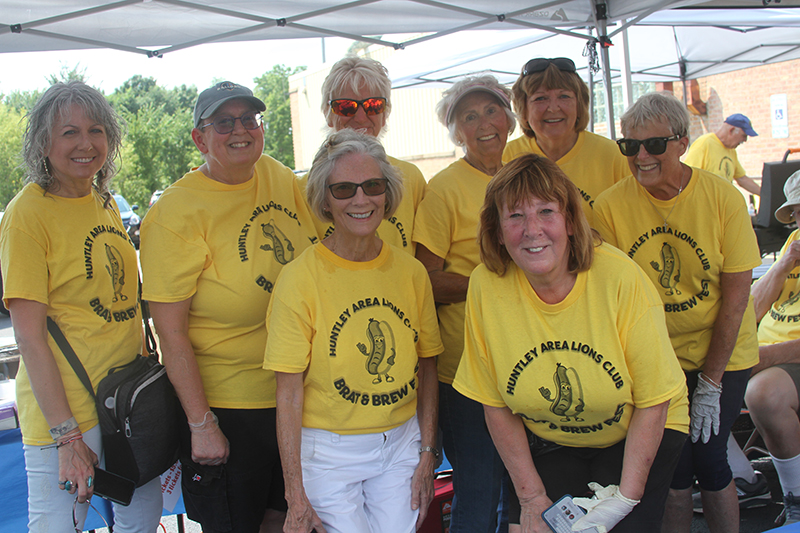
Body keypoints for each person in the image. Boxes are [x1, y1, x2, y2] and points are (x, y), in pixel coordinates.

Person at [452, 153, 689, 533]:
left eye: (546, 211)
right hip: (553, 435)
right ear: (497, 230)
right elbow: (494, 404)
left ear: (571, 221)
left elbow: (654, 401)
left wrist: (623, 502)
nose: (532, 230)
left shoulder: (621, 279)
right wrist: (530, 499)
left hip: (637, 429)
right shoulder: (486, 284)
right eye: (515, 216)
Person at [140, 81, 320, 533]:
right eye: (224, 122)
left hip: (297, 396)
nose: (240, 130)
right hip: (229, 406)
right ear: (200, 138)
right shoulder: (176, 212)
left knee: (289, 521)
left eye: (249, 119)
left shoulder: (279, 177)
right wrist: (202, 423)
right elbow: (171, 333)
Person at [593, 92, 761, 533]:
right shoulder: (609, 206)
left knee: (710, 458)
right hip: (658, 359)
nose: (641, 156)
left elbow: (737, 294)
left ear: (682, 143)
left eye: (653, 145)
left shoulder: (722, 198)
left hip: (721, 353)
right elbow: (611, 294)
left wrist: (710, 381)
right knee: (673, 467)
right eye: (630, 146)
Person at [0, 81, 162, 532]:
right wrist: (67, 436)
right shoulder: (27, 214)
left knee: (141, 525)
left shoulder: (105, 201)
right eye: (69, 132)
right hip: (68, 415)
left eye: (96, 130)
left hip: (126, 406)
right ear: (43, 143)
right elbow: (29, 337)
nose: (85, 144)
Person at [264, 129, 442, 533]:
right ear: (324, 199)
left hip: (400, 443)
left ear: (387, 193)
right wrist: (295, 493)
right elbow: (288, 391)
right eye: (344, 189)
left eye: (373, 186)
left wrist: (427, 452)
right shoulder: (299, 279)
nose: (361, 200)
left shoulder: (411, 272)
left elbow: (428, 365)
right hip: (328, 452)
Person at [413, 74, 517, 532]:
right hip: (466, 370)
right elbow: (425, 281)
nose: (483, 124)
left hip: (526, 361)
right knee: (479, 489)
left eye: (491, 110)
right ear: (456, 133)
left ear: (509, 118)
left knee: (522, 489)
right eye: (469, 117)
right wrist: (491, 282)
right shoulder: (443, 190)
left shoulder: (525, 172)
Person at [301, 56, 426, 254]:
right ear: (327, 112)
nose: (360, 117)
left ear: (385, 113)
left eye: (373, 105)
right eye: (346, 106)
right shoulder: (305, 186)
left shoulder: (411, 178)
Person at [503, 57, 629, 224]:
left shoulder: (613, 156)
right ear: (523, 108)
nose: (553, 108)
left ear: (580, 104)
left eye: (564, 96)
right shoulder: (507, 158)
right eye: (540, 98)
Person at [744, 169, 800, 526]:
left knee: (763, 393)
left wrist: (764, 358)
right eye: (797, 211)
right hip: (763, 353)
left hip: (784, 358)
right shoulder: (791, 245)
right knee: (685, 373)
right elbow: (751, 310)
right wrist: (782, 265)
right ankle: (742, 480)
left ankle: (795, 496)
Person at [684, 113, 760, 196]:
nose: (745, 140)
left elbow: (742, 179)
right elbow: (687, 177)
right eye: (744, 135)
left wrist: (765, 194)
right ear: (731, 130)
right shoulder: (704, 144)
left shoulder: (731, 151)